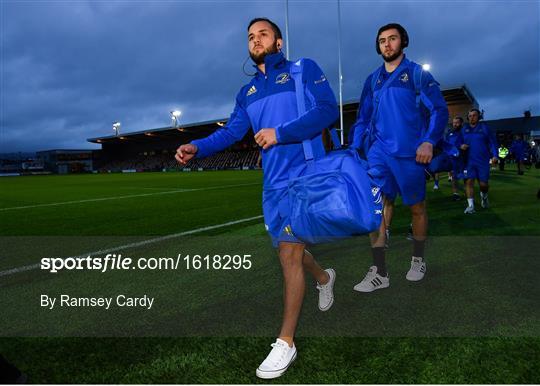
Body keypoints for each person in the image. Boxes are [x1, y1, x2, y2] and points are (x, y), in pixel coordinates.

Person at [175, 18, 339, 379]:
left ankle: (286, 342)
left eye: (263, 33)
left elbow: (327, 110)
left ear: (278, 42)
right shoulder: (247, 93)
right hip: (273, 183)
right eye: (250, 36)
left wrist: (280, 133)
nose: (255, 39)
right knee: (287, 247)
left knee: (288, 254)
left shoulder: (301, 70)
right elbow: (233, 131)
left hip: (305, 175)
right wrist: (196, 147)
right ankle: (325, 278)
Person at [350, 23, 448, 290]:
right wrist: (357, 148)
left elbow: (439, 110)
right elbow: (363, 118)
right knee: (377, 208)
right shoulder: (372, 80)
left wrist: (428, 141)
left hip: (409, 153)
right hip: (379, 152)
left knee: (417, 208)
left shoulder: (417, 75)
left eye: (392, 39)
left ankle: (418, 259)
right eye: (382, 40)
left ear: (403, 42)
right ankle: (380, 272)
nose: (387, 44)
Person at [460, 108, 498, 213]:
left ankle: (484, 196)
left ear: (478, 117)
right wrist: (460, 145)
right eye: (470, 116)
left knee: (483, 184)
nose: (472, 117)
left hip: (483, 161)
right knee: (469, 182)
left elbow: (492, 143)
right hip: (469, 161)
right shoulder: (464, 129)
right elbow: (459, 142)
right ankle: (471, 206)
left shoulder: (485, 128)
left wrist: (495, 155)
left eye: (474, 115)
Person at [446, 116, 465, 200]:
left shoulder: (465, 132)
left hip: (464, 158)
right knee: (454, 177)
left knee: (466, 177)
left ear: (461, 123)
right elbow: (446, 145)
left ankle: (468, 192)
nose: (455, 124)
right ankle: (455, 193)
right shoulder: (449, 133)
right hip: (453, 159)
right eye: (454, 123)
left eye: (457, 122)